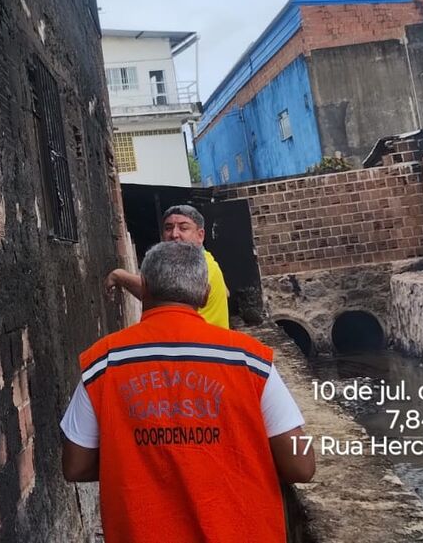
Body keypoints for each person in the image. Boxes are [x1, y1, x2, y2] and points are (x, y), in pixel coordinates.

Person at [62, 241, 314, 543]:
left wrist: (140, 455)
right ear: (205, 293)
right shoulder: (251, 360)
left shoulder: (103, 363)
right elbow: (301, 465)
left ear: (144, 289)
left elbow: (76, 464)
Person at [106, 204, 230, 328]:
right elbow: (226, 292)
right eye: (168, 228)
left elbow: (160, 292)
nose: (174, 234)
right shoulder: (208, 261)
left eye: (183, 228)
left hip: (199, 342)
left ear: (200, 235)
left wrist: (119, 276)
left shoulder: (201, 266)